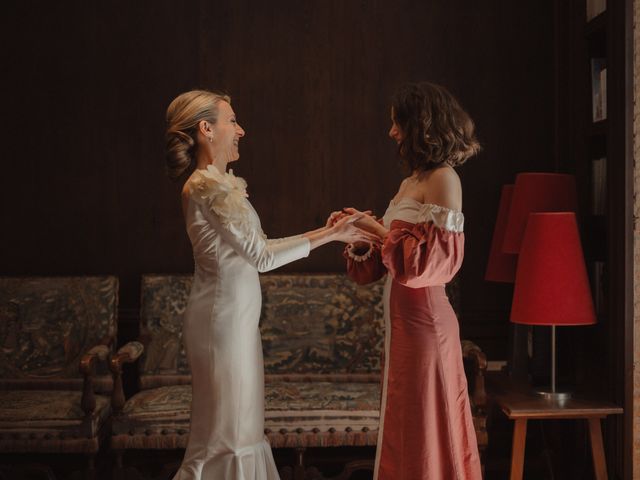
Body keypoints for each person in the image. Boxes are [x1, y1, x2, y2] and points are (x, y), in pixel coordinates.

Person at [165, 90, 374, 480]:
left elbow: (261, 246)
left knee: (240, 431)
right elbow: (262, 258)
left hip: (235, 323)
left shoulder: (217, 183)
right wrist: (329, 238)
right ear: (206, 129)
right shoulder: (205, 186)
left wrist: (332, 231)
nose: (241, 129)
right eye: (232, 120)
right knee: (225, 437)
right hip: (220, 324)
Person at [332, 82, 483, 479]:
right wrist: (356, 232)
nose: (392, 133)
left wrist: (377, 231)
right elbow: (390, 259)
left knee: (427, 427)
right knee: (406, 426)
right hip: (402, 328)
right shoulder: (411, 181)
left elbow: (432, 265)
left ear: (420, 125)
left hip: (427, 328)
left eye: (397, 124)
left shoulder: (444, 179)